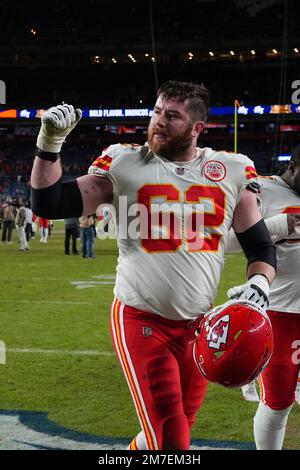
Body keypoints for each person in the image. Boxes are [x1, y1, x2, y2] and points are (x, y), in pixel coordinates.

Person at [30, 82, 276, 450]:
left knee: (165, 435)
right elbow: (50, 203)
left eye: (172, 116)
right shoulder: (125, 161)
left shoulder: (231, 169)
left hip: (199, 326)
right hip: (140, 318)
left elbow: (259, 246)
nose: (159, 121)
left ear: (197, 128)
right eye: (157, 111)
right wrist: (49, 145)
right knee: (172, 439)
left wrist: (260, 285)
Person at [227, 144, 300, 450]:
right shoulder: (263, 190)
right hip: (280, 314)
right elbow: (228, 242)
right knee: (277, 402)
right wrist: (277, 226)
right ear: (294, 167)